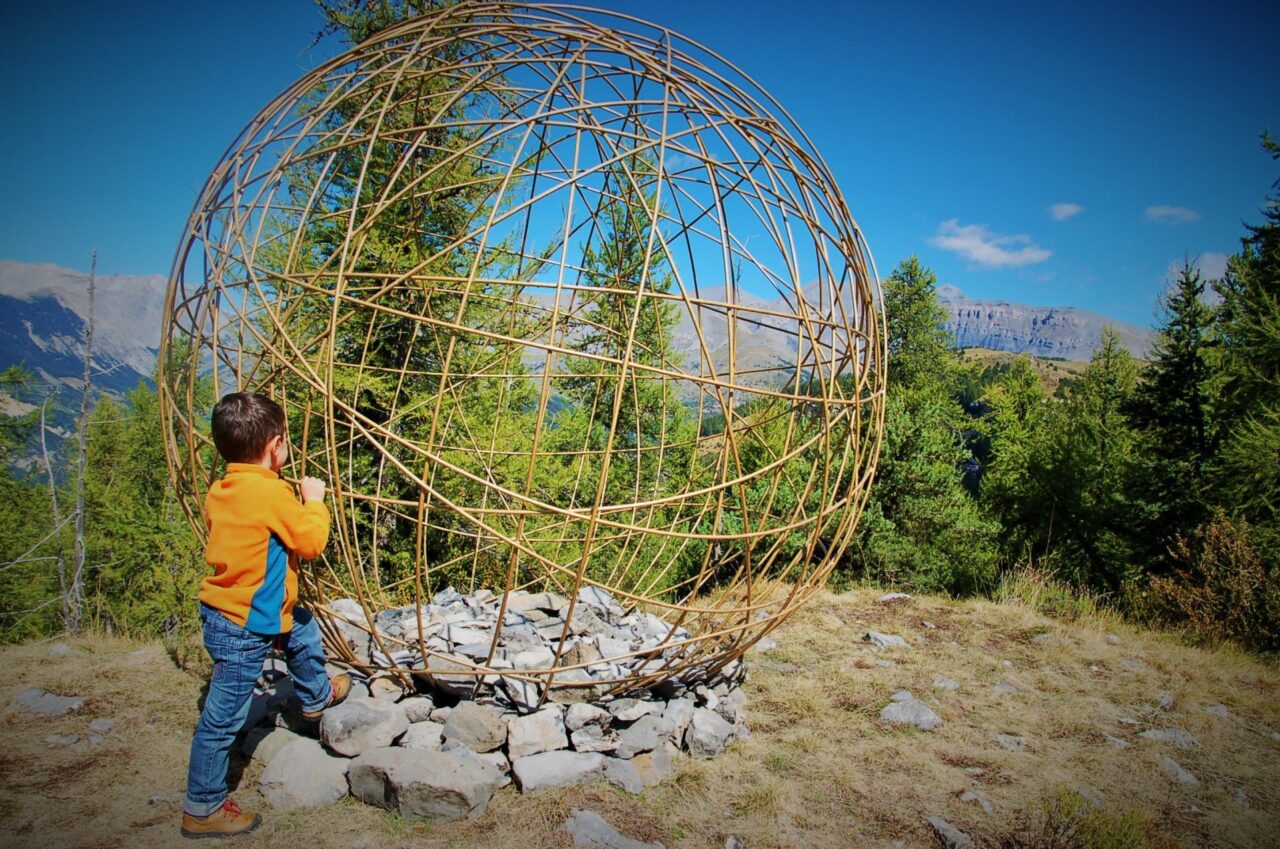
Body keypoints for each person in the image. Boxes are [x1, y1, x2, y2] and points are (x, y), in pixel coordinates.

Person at [181, 391, 350, 838]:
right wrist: (314, 500)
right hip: (246, 621)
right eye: (286, 441)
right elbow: (309, 544)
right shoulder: (272, 493)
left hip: (228, 608)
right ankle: (203, 806)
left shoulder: (224, 488)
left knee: (302, 629)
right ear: (275, 446)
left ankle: (316, 696)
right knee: (222, 718)